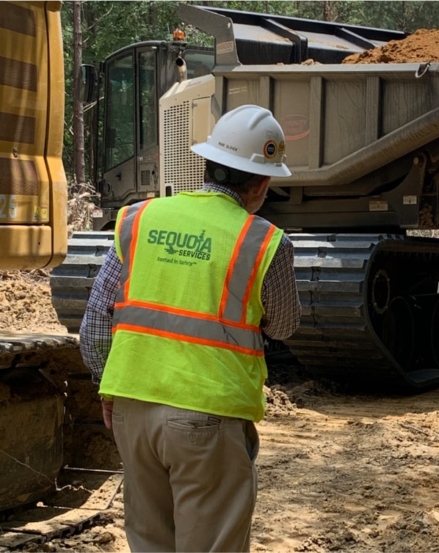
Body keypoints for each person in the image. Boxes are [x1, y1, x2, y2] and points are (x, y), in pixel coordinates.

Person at [80, 104, 302, 552]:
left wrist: (108, 386)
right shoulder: (263, 242)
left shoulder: (139, 220)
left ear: (206, 164)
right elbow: (284, 326)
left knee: (151, 542)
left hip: (132, 409)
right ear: (260, 183)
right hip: (208, 416)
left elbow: (95, 327)